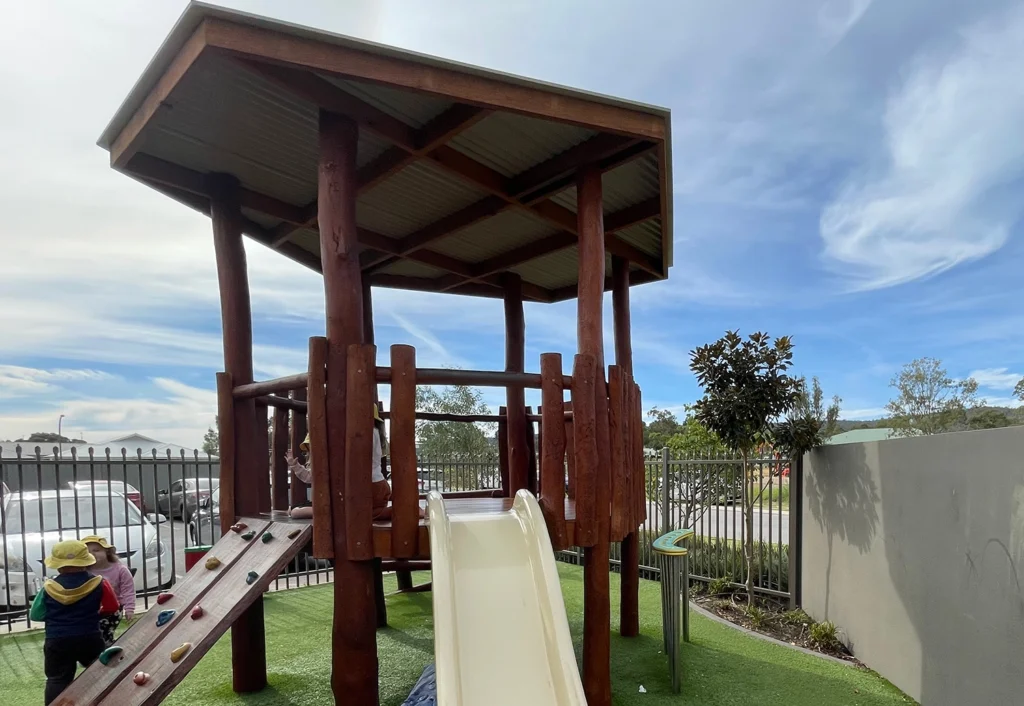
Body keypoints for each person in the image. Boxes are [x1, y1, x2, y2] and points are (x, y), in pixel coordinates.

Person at [30, 539, 120, 705]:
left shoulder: (49, 587)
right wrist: (96, 614)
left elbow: (36, 614)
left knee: (57, 679)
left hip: (57, 639)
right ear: (86, 562)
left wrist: (56, 617)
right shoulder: (100, 583)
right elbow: (112, 606)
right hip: (90, 636)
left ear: (58, 565)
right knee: (98, 672)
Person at [285, 405, 399, 520]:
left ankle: (391, 512)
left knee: (296, 512)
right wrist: (295, 465)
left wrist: (295, 466)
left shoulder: (359, 434)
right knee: (294, 509)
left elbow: (310, 477)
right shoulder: (374, 432)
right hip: (377, 486)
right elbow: (311, 476)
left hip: (362, 490)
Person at [80, 535, 135, 645]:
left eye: (96, 550)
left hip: (113, 609)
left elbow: (128, 590)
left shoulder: (120, 570)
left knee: (103, 633)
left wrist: (130, 608)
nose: (92, 554)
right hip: (92, 608)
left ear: (108, 552)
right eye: (88, 551)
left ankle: (106, 649)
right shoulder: (84, 571)